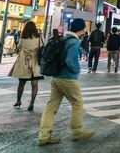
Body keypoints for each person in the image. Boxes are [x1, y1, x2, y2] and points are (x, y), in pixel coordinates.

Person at [38, 18, 94, 146]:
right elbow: (70, 61)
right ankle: (77, 131)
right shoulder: (74, 42)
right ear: (81, 29)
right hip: (67, 78)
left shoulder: (62, 38)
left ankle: (43, 135)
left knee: (51, 106)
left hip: (55, 78)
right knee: (77, 102)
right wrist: (77, 71)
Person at [9, 21, 44, 111]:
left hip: (25, 63)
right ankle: (32, 103)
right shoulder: (39, 37)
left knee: (21, 83)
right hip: (35, 63)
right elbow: (44, 45)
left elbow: (19, 47)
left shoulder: (23, 38)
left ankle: (18, 100)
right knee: (34, 84)